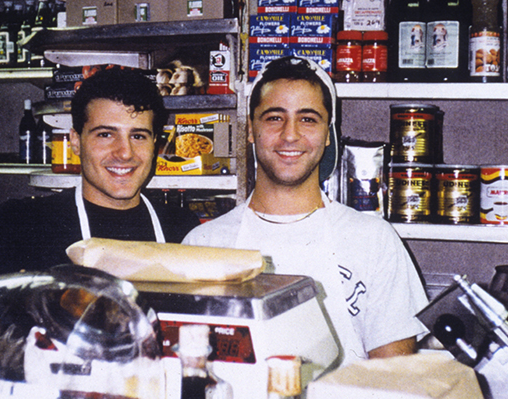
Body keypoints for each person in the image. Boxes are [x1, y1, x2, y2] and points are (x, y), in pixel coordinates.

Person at [182, 56, 429, 367]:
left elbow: (395, 379)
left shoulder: (374, 241)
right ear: (250, 129)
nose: (290, 135)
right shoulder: (203, 244)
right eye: (274, 118)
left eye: (308, 119)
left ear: (328, 134)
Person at [0, 66, 200, 284]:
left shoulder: (185, 231)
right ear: (74, 142)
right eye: (105, 134)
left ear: (156, 144)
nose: (124, 153)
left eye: (138, 136)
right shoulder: (25, 223)